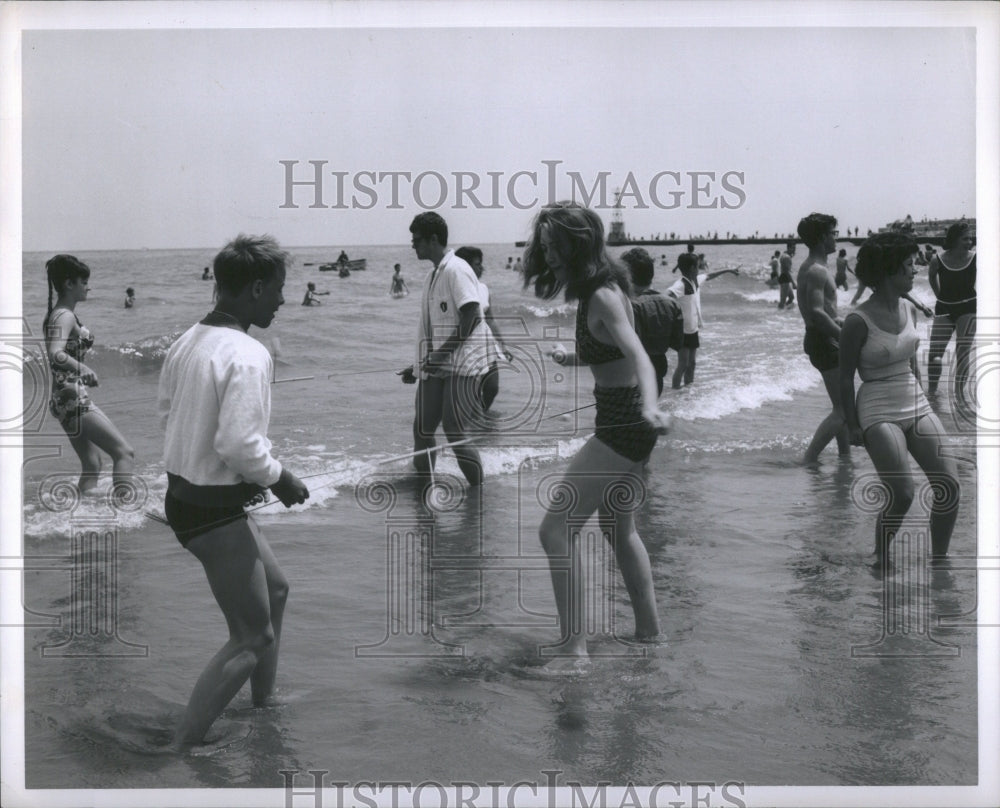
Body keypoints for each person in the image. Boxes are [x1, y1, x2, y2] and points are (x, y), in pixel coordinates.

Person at [158, 234, 310, 751]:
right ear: (257, 287)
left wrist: (248, 472)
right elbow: (241, 445)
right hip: (210, 509)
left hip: (186, 498)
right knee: (252, 636)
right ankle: (179, 746)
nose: (283, 301)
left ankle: (262, 706)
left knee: (277, 590)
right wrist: (280, 478)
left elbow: (167, 413)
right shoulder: (249, 352)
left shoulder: (189, 339)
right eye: (279, 291)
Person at [523, 202, 670, 661]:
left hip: (625, 424)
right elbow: (615, 352)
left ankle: (573, 650)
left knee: (554, 530)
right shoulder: (600, 292)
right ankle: (650, 634)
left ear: (577, 245)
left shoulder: (604, 295)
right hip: (624, 423)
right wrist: (576, 357)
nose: (547, 256)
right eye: (543, 246)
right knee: (618, 530)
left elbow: (641, 357)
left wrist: (650, 405)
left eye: (554, 247)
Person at [839, 232, 959, 570]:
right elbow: (846, 377)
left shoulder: (909, 307)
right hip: (878, 405)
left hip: (914, 399)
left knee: (949, 486)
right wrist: (851, 425)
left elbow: (911, 359)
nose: (915, 271)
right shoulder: (857, 322)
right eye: (908, 266)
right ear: (889, 270)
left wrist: (923, 396)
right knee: (903, 494)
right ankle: (881, 559)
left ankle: (940, 561)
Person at [398, 213, 488, 486]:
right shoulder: (432, 275)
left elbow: (472, 316)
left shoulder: (456, 270)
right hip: (439, 364)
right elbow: (431, 329)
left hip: (463, 363)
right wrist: (418, 365)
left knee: (454, 431)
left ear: (433, 239)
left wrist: (440, 354)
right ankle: (424, 489)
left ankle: (478, 496)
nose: (413, 245)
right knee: (422, 428)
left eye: (417, 240)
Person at [42, 255, 136, 499]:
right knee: (124, 452)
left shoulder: (57, 314)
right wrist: (82, 369)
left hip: (62, 398)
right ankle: (126, 510)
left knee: (92, 465)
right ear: (68, 283)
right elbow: (55, 353)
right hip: (70, 396)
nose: (88, 286)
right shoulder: (65, 315)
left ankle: (86, 511)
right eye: (84, 281)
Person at [795, 213, 850, 463]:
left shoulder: (815, 267)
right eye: (832, 233)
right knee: (842, 411)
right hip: (823, 340)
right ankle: (808, 460)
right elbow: (816, 312)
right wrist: (843, 336)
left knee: (841, 407)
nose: (834, 237)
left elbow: (823, 311)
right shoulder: (816, 270)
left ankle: (845, 457)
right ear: (820, 238)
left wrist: (840, 321)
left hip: (821, 338)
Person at [666, 256, 739, 389]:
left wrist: (729, 270)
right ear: (692, 268)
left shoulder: (695, 281)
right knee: (682, 365)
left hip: (693, 329)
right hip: (682, 331)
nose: (700, 268)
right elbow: (666, 296)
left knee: (692, 363)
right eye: (698, 266)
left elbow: (710, 275)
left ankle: (689, 389)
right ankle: (675, 392)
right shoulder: (681, 284)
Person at [621, 247, 683, 396]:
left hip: (632, 373)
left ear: (627, 275)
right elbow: (677, 343)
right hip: (658, 369)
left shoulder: (629, 305)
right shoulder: (672, 304)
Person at [926, 221, 976, 403]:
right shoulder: (937, 260)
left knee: (963, 351)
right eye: (965, 238)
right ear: (954, 239)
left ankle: (959, 396)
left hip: (968, 307)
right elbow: (932, 277)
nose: (969, 241)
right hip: (944, 307)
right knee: (934, 353)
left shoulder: (976, 258)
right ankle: (932, 393)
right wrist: (939, 296)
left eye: (970, 238)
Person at [455, 246, 509, 413]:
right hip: (466, 346)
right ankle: (469, 420)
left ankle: (479, 417)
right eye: (478, 264)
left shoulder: (483, 288)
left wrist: (502, 345)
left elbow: (490, 319)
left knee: (492, 387)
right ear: (466, 267)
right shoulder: (457, 289)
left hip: (486, 344)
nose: (482, 268)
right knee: (468, 392)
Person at [777, 242, 797, 309]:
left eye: (795, 248)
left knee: (791, 297)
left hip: (784, 278)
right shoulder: (787, 257)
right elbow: (787, 271)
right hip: (785, 278)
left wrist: (791, 255)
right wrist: (793, 283)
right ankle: (779, 312)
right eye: (793, 248)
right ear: (789, 248)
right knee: (783, 300)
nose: (794, 250)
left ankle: (785, 313)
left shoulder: (784, 255)